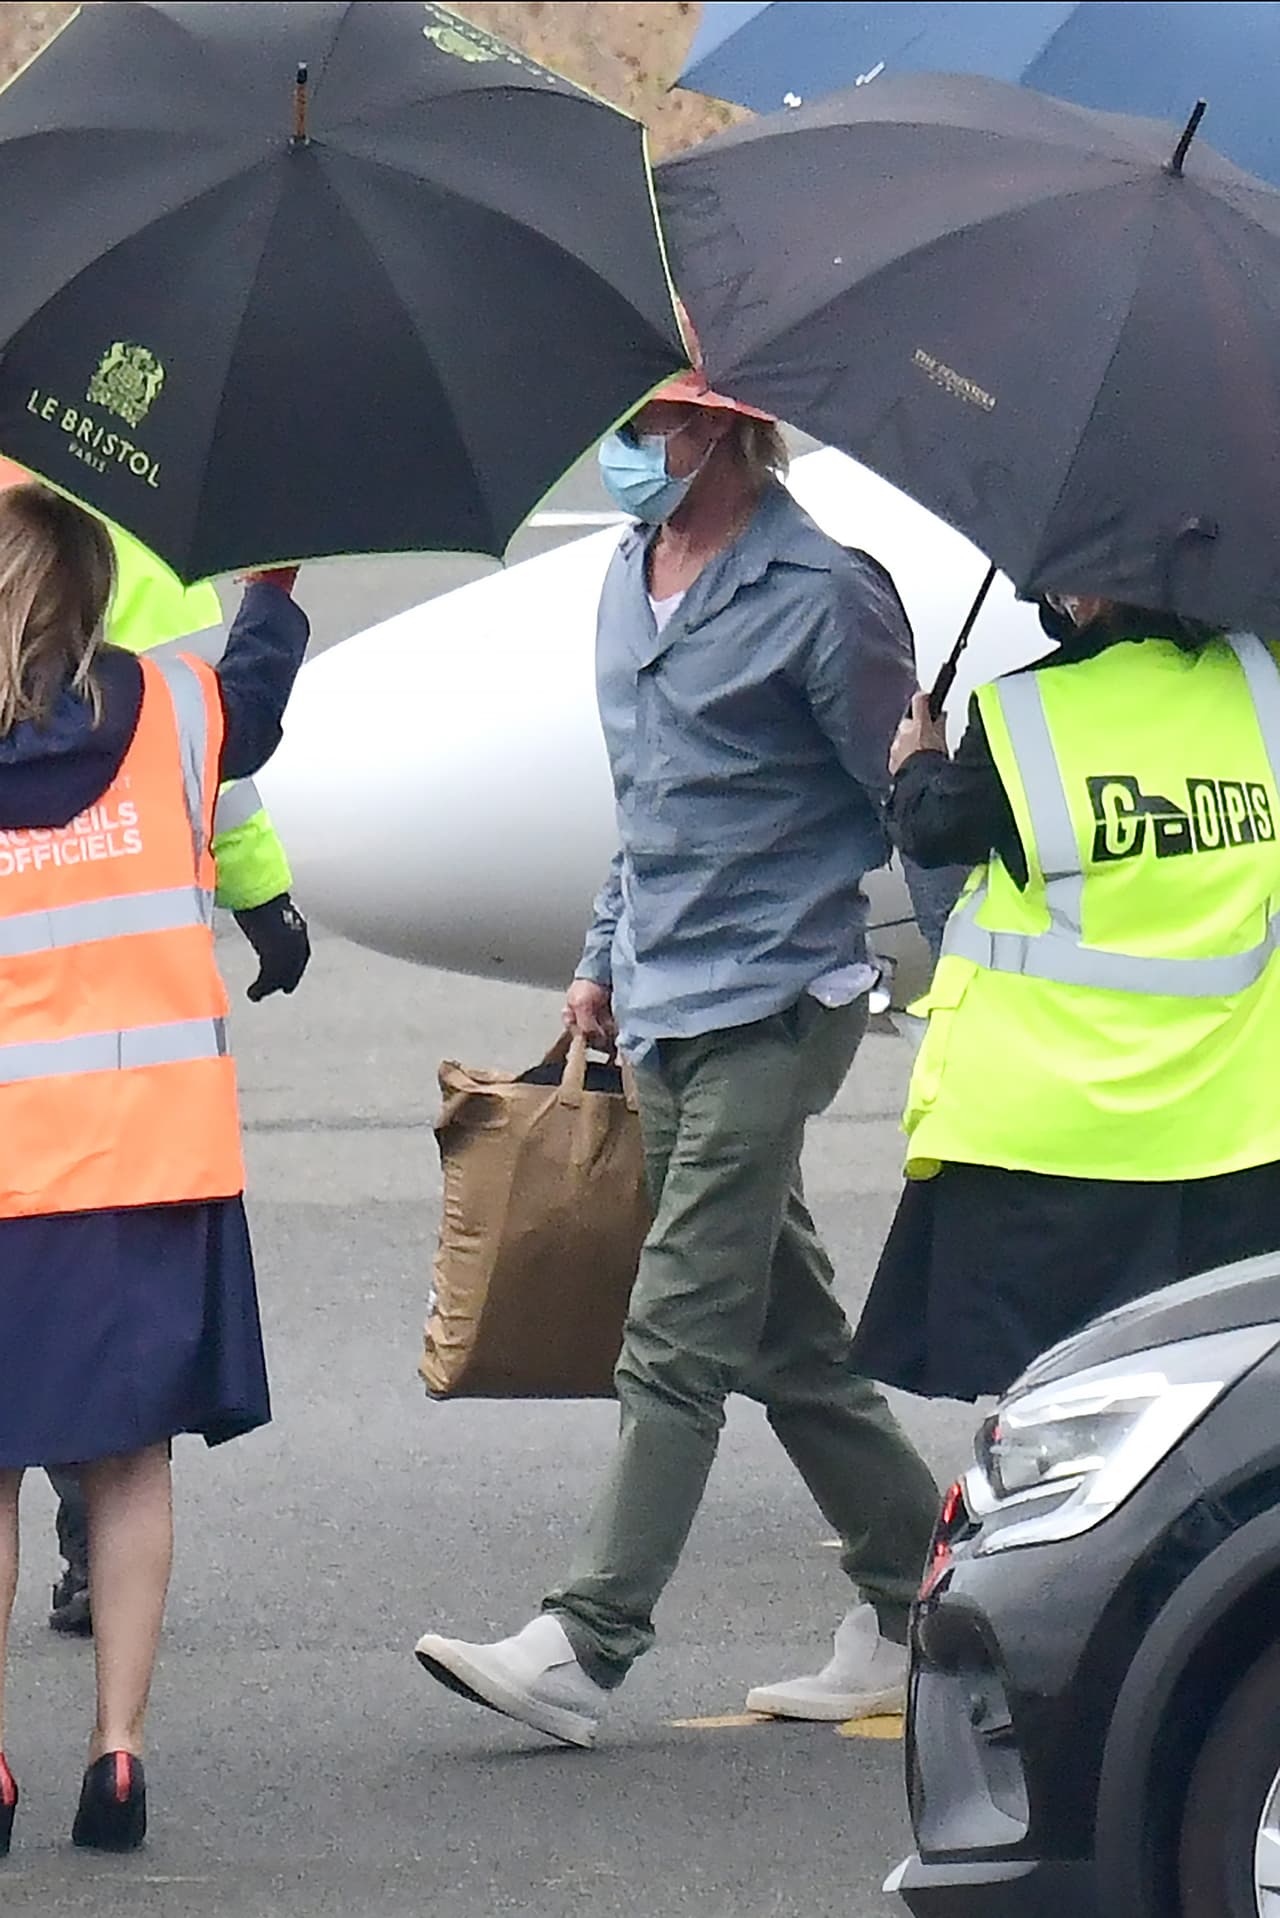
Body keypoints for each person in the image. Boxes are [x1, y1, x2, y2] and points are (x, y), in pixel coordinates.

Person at [414, 366, 941, 1747]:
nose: (619, 450)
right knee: (786, 1337)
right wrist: (599, 953)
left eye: (638, 427)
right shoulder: (627, 572)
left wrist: (966, 955)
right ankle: (923, 1599)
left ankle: (585, 1643)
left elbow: (904, 806)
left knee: (679, 1327)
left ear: (715, 427)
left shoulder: (826, 594)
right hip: (656, 1003)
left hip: (773, 1005)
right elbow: (645, 794)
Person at [0, 480, 309, 1854]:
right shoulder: (180, 712)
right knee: (128, 1466)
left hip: (8, 1175)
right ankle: (116, 1752)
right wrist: (275, 586)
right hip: (150, 1158)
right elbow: (257, 692)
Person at [851, 594, 1280, 1403]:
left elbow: (935, 828)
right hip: (1234, 1133)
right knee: (1219, 1398)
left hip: (1054, 1144)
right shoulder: (1260, 685)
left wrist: (916, 762)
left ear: (1081, 591)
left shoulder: (1026, 716)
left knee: (1063, 1404)